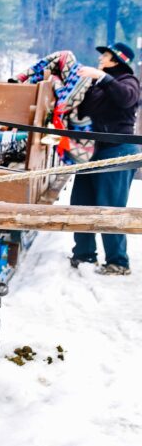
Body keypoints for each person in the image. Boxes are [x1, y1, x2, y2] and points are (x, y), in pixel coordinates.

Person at [69, 42, 140, 274]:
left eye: (106, 56)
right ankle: (84, 254)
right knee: (81, 202)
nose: (100, 59)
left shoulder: (129, 82)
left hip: (118, 151)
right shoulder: (98, 86)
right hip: (93, 152)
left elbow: (126, 99)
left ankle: (118, 262)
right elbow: (83, 111)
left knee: (111, 208)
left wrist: (102, 77)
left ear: (117, 60)